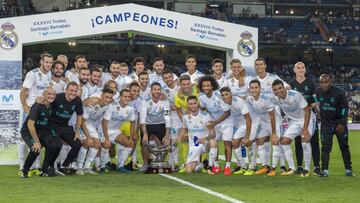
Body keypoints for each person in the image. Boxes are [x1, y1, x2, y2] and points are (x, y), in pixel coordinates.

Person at [272, 79, 316, 177]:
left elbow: (307, 110)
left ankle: (307, 169)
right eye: (275, 90)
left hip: (307, 118)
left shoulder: (295, 95)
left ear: (284, 87)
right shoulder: (275, 98)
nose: (278, 91)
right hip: (295, 121)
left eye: (280, 88)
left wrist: (305, 129)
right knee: (284, 141)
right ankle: (292, 168)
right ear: (273, 91)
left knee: (304, 141)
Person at [19, 52, 53, 175]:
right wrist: (25, 106)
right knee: (24, 139)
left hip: (40, 110)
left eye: (50, 62)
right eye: (46, 62)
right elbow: (23, 92)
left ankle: (36, 167)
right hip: (31, 109)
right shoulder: (32, 74)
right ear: (41, 62)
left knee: (37, 138)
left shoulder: (49, 73)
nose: (48, 64)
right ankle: (21, 167)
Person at [315, 74, 354, 177]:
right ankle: (325, 171)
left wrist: (342, 123)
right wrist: (318, 111)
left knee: (344, 146)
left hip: (339, 124)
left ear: (330, 82)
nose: (324, 85)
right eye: (322, 82)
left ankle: (348, 170)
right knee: (325, 148)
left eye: (326, 82)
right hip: (326, 124)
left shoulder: (339, 93)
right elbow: (317, 102)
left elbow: (345, 108)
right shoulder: (318, 92)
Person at [20, 87, 60, 178]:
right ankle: (24, 171)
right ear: (44, 94)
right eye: (49, 94)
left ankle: (44, 170)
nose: (51, 96)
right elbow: (30, 124)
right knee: (36, 149)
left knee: (53, 145)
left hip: (42, 131)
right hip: (28, 130)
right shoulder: (37, 105)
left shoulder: (52, 105)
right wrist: (37, 142)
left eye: (53, 94)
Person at [289, 62, 321, 175]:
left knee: (314, 141)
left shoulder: (311, 83)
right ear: (294, 70)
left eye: (303, 67)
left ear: (305, 69)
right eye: (298, 68)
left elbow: (316, 100)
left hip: (310, 116)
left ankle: (317, 166)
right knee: (298, 141)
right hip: (297, 118)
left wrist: (308, 107)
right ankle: (299, 166)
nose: (301, 69)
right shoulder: (291, 84)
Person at [198, 76, 231, 175]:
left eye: (208, 85)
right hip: (214, 122)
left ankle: (227, 166)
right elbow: (203, 109)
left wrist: (215, 123)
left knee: (227, 143)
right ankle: (216, 165)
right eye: (204, 86)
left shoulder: (219, 96)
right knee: (214, 142)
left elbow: (227, 113)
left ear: (212, 86)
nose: (206, 88)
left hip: (226, 121)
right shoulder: (202, 97)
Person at [76, 88, 113, 175]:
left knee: (97, 144)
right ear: (101, 96)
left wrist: (106, 137)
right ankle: (79, 167)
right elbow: (83, 121)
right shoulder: (92, 103)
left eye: (110, 98)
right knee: (87, 142)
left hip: (91, 125)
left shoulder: (108, 106)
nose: (108, 100)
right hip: (81, 122)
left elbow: (104, 122)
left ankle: (87, 167)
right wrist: (88, 137)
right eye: (106, 97)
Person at [49, 82, 83, 175]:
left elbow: (80, 116)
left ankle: (64, 166)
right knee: (57, 144)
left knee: (77, 143)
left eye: (75, 91)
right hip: (52, 126)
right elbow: (46, 106)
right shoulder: (57, 97)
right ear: (66, 90)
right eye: (71, 90)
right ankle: (50, 166)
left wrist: (77, 132)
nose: (73, 93)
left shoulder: (78, 100)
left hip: (64, 126)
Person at [245, 80, 277, 176]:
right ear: (249, 89)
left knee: (276, 144)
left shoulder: (266, 99)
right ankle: (265, 166)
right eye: (252, 88)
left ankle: (275, 169)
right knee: (260, 141)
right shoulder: (250, 99)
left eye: (256, 87)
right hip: (263, 122)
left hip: (274, 122)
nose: (254, 89)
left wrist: (274, 133)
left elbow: (272, 116)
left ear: (260, 88)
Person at [178, 96, 217, 174]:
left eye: (195, 103)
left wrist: (205, 139)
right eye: (191, 104)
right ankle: (202, 164)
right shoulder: (185, 117)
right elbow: (184, 128)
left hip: (205, 143)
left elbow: (213, 133)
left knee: (213, 142)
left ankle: (209, 167)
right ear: (188, 105)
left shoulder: (206, 115)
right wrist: (180, 137)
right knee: (189, 171)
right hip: (194, 145)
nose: (193, 105)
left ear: (197, 103)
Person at [139, 82, 171, 172]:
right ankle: (145, 164)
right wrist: (145, 134)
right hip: (147, 124)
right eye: (155, 89)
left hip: (160, 124)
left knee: (166, 143)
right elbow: (142, 119)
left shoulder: (165, 102)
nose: (157, 91)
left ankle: (159, 161)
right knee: (144, 143)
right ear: (151, 91)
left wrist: (167, 135)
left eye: (158, 89)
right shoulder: (145, 101)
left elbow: (167, 118)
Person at [102, 89, 136, 173]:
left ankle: (120, 166)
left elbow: (132, 123)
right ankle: (101, 166)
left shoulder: (130, 109)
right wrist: (106, 138)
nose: (127, 98)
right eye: (125, 96)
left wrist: (131, 138)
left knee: (129, 144)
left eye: (129, 97)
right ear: (120, 97)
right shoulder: (112, 106)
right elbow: (104, 122)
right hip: (104, 129)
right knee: (106, 146)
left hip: (115, 131)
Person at [220, 87, 252, 175]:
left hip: (250, 123)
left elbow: (248, 119)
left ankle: (252, 167)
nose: (225, 97)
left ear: (231, 93)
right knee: (234, 143)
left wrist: (247, 136)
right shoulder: (227, 103)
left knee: (250, 143)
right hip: (242, 125)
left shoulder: (239, 102)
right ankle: (243, 167)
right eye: (223, 95)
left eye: (226, 94)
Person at [162, 69, 181, 168]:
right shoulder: (163, 91)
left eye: (169, 77)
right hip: (173, 120)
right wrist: (169, 107)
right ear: (163, 79)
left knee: (187, 140)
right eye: (165, 78)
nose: (168, 79)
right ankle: (174, 162)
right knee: (173, 142)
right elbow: (164, 106)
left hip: (183, 117)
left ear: (172, 77)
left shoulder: (180, 87)